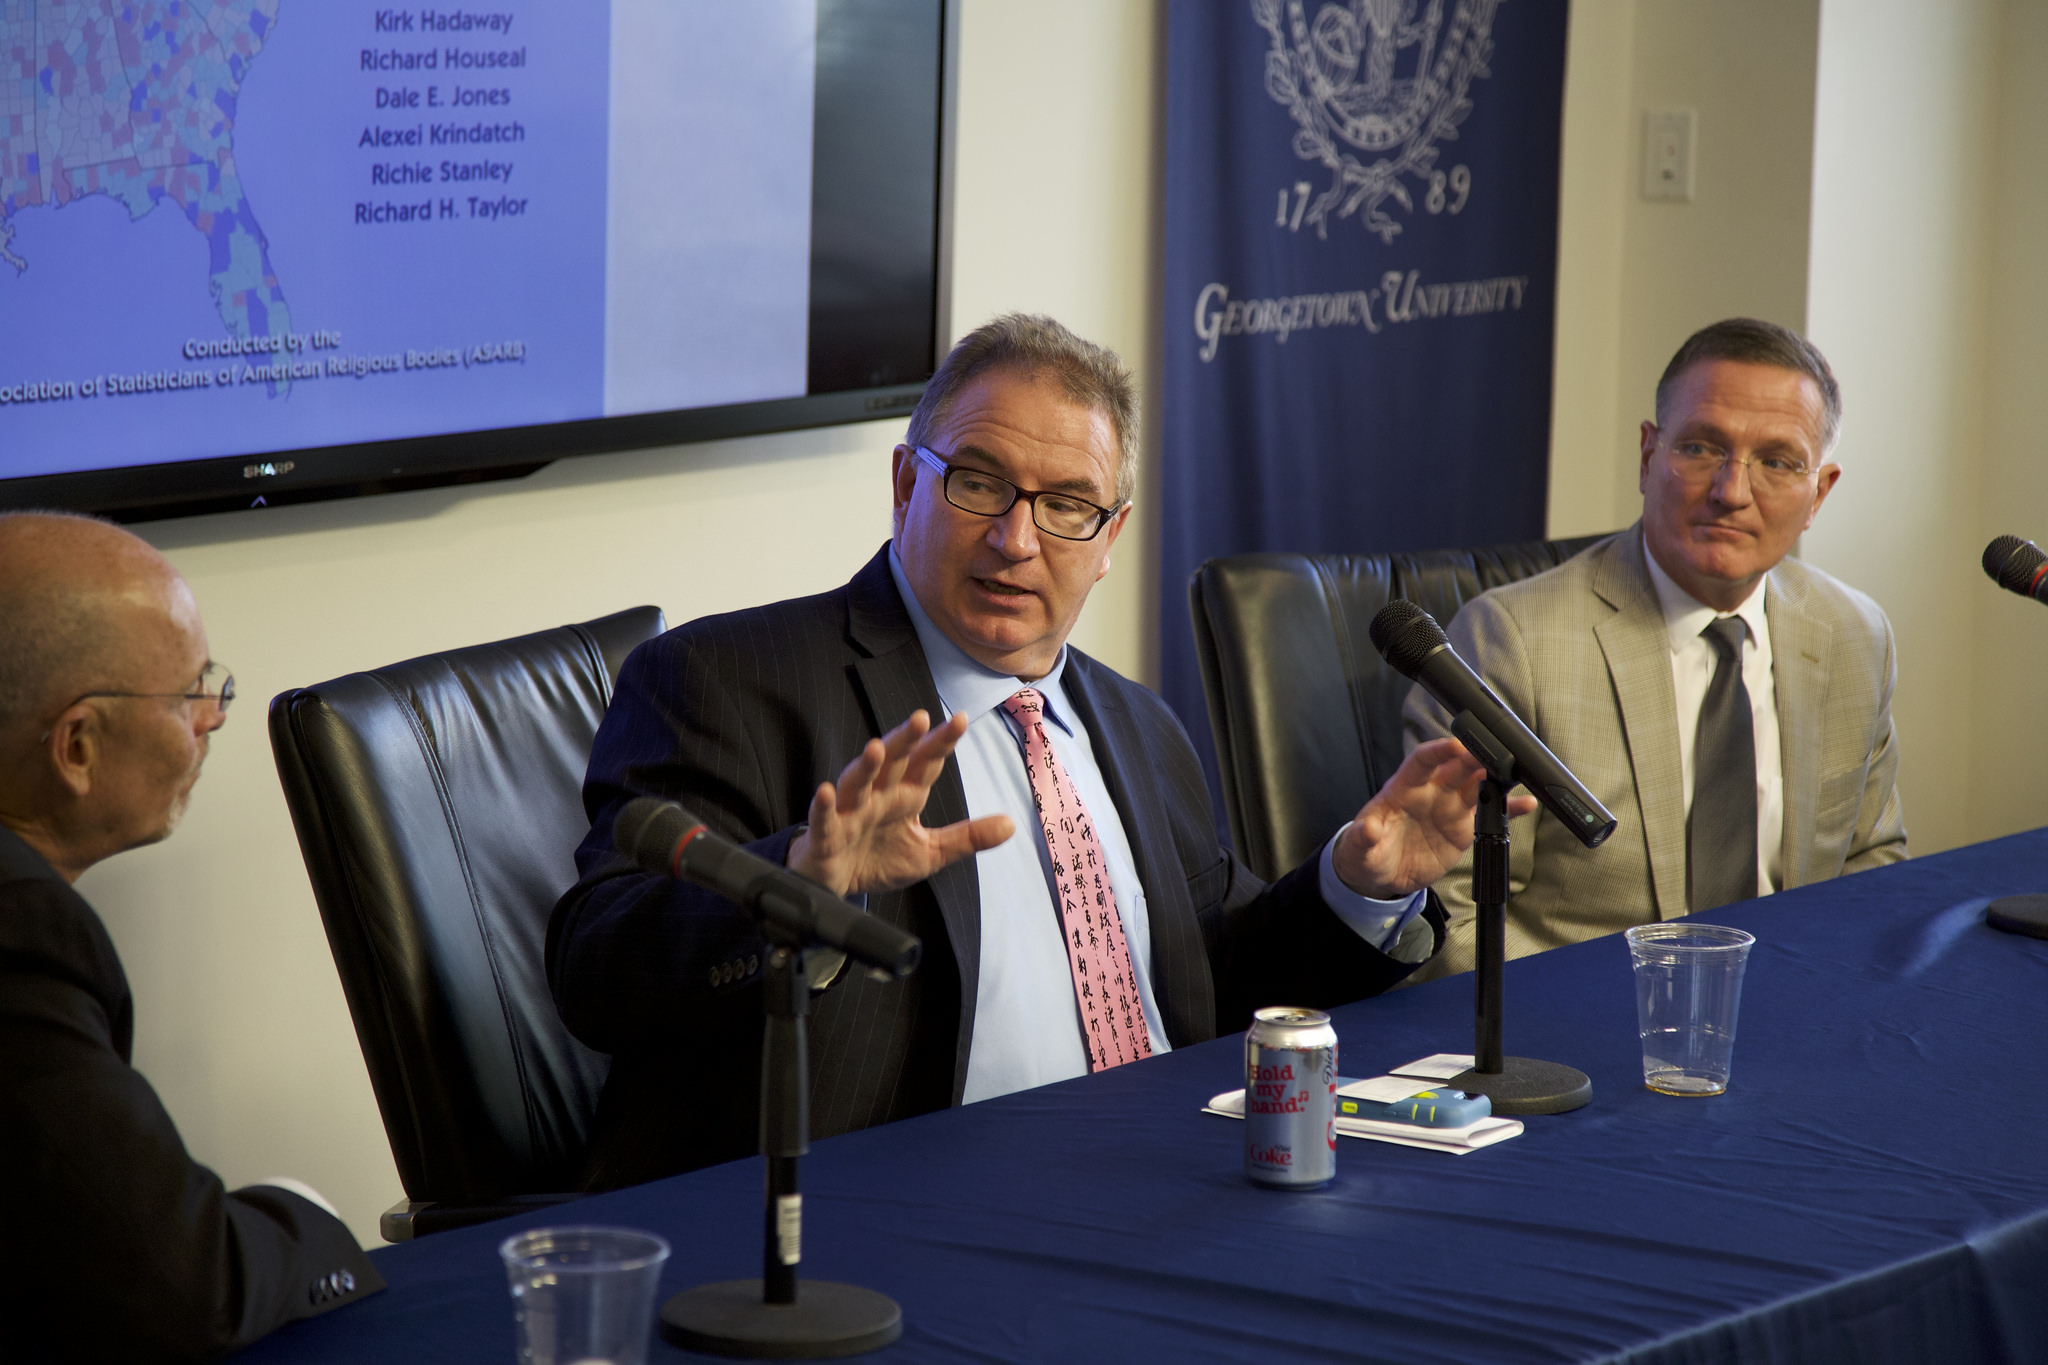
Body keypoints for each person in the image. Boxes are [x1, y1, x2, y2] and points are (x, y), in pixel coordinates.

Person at [548, 314, 1528, 1188]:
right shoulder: (727, 679)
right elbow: (595, 963)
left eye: (1066, 506)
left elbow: (1215, 975)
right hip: (891, 1216)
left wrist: (1353, 883)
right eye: (978, 483)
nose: (1016, 540)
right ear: (904, 485)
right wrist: (797, 887)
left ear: (1109, 538)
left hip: (1165, 1187)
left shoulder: (1140, 725)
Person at [1401, 317, 1907, 982]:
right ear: (1647, 454)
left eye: (1778, 462)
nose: (1731, 491)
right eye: (1701, 448)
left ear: (1820, 491)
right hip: (1587, 1038)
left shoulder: (1854, 634)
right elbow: (1449, 924)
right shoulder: (1509, 642)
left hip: (1794, 1011)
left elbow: (1871, 862)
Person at [0, 513, 382, 1363]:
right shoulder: (21, 933)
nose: (212, 715)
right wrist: (308, 1215)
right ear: (76, 746)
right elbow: (187, 1289)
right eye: (187, 692)